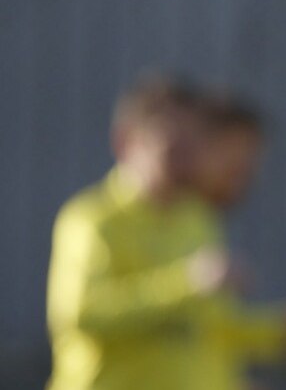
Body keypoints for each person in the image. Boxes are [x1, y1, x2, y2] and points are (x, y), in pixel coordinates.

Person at [46, 73, 241, 390]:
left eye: (194, 144)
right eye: (175, 144)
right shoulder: (92, 219)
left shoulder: (198, 220)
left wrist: (283, 331)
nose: (187, 158)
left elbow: (206, 330)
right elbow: (80, 314)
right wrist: (186, 283)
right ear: (126, 141)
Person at [190, 91, 286, 390]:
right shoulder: (165, 221)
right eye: (236, 165)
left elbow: (210, 335)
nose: (245, 177)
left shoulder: (201, 222)